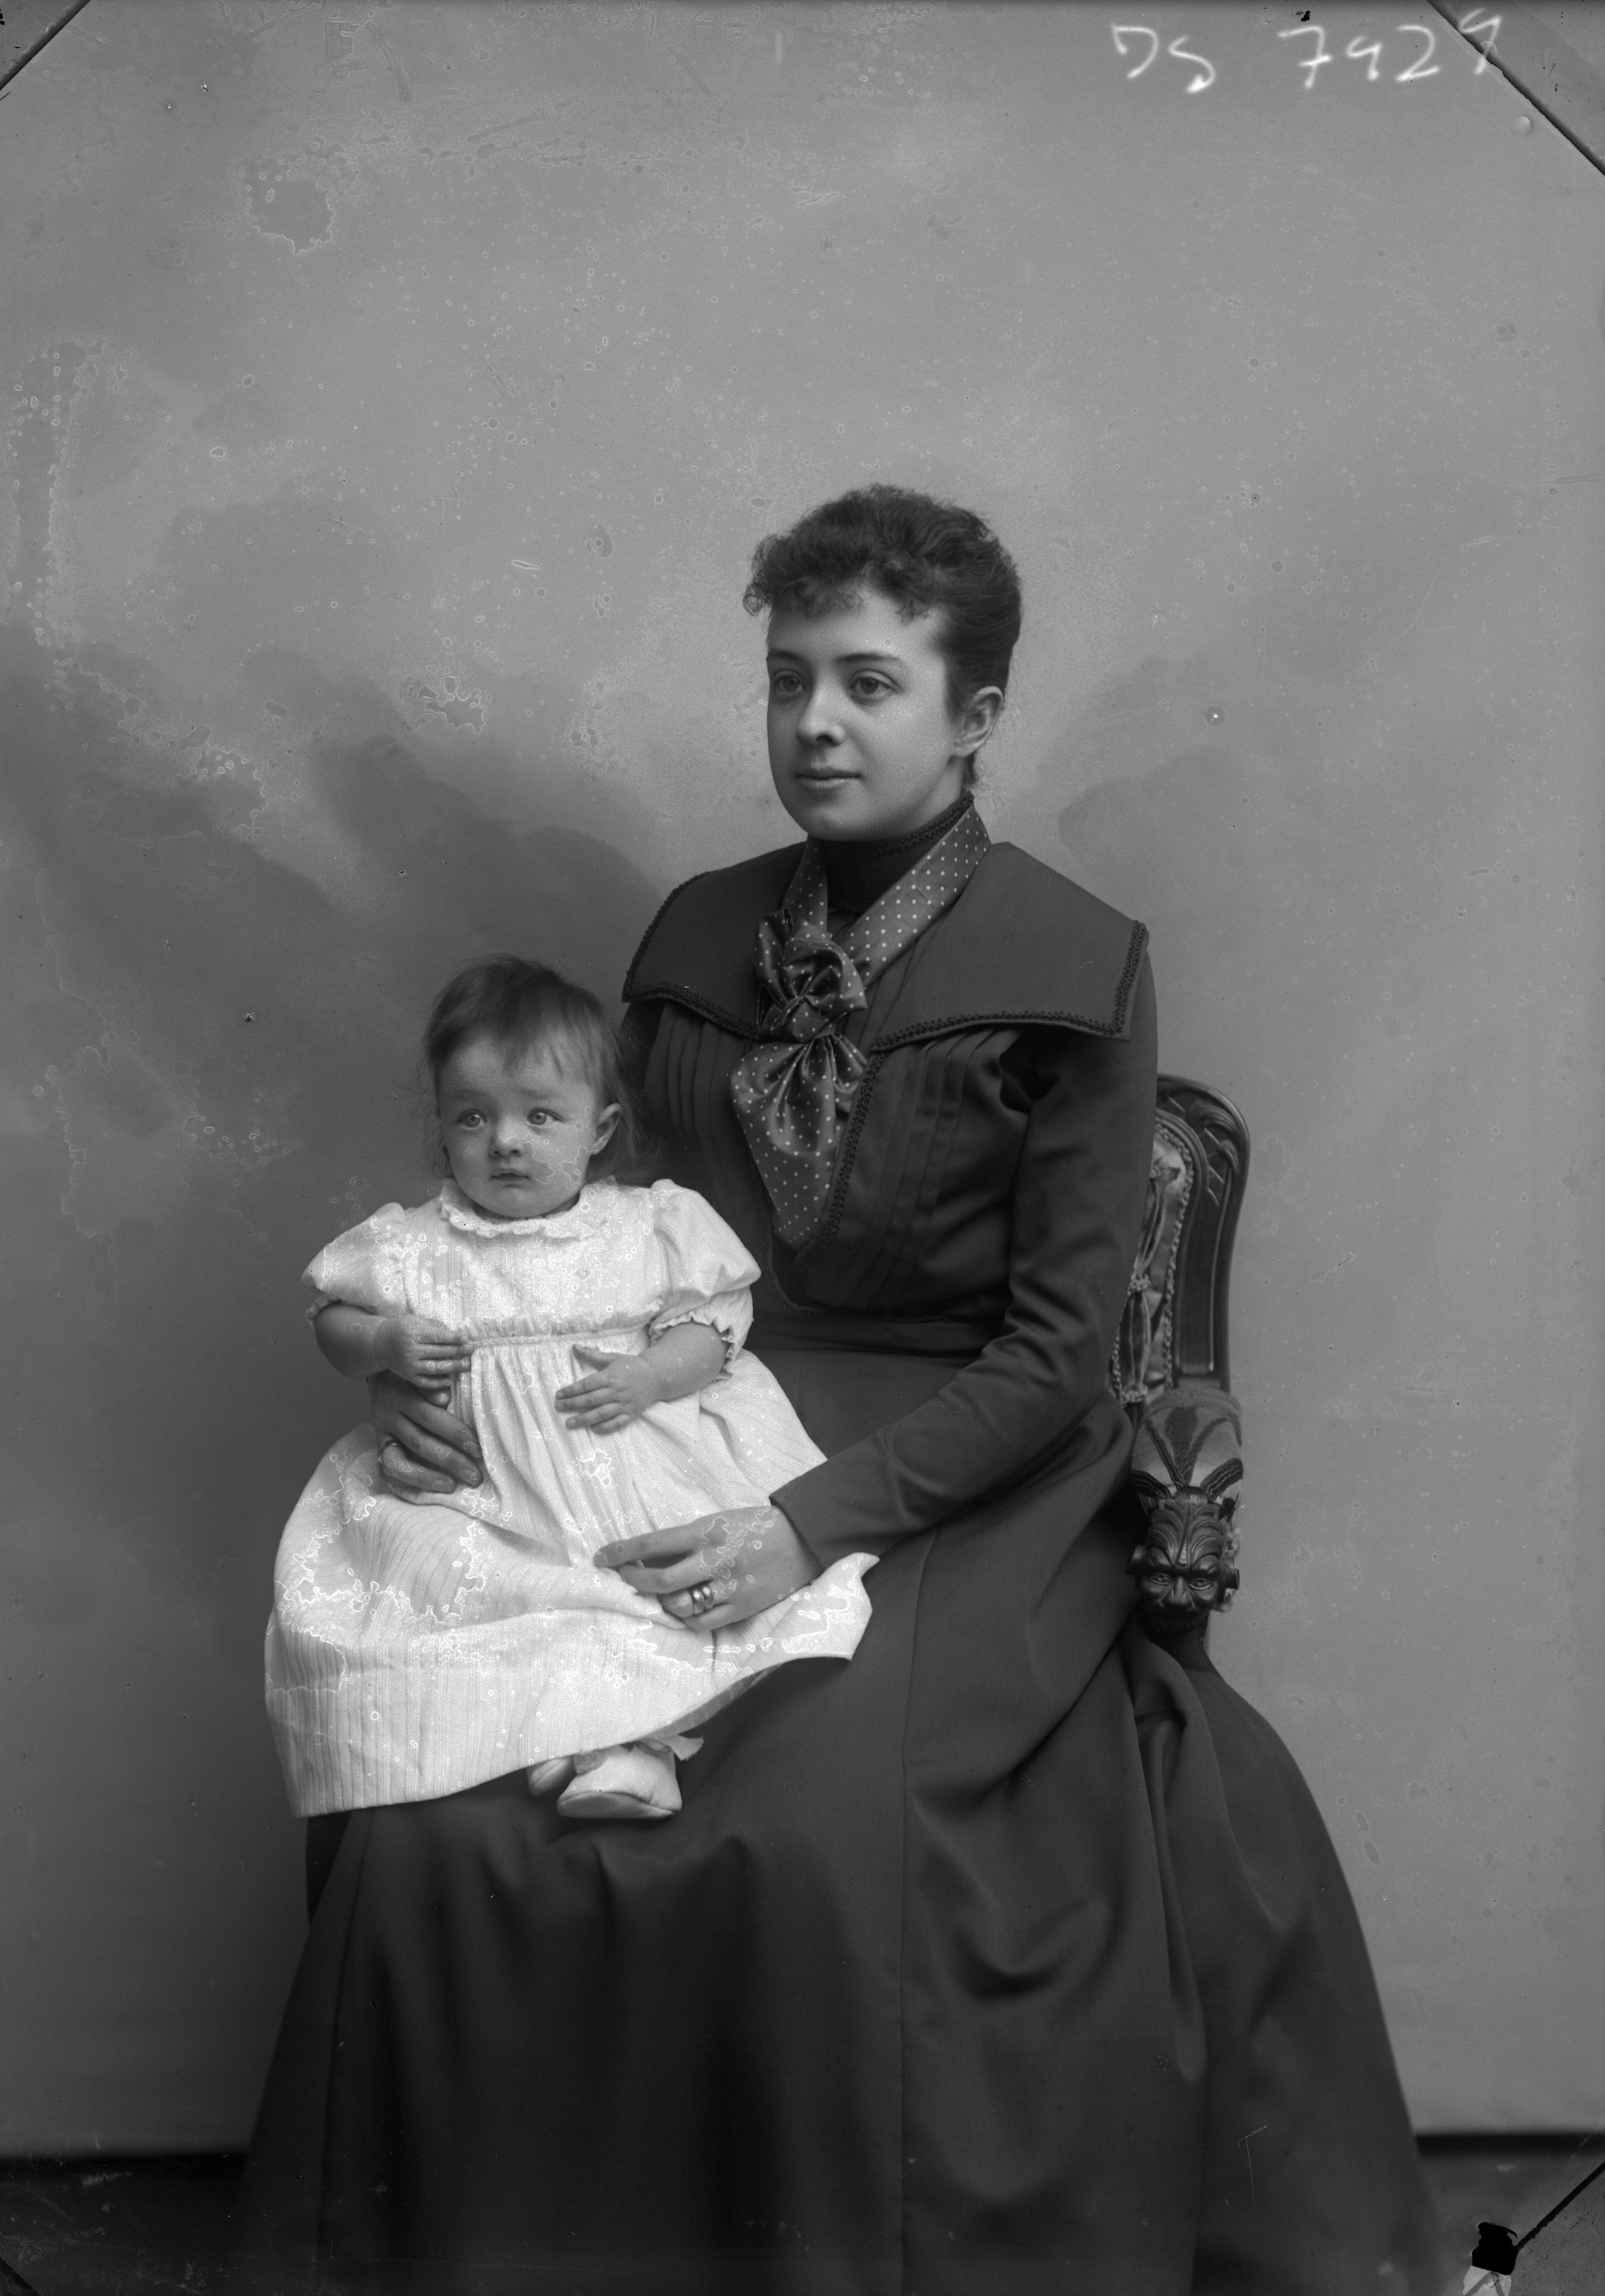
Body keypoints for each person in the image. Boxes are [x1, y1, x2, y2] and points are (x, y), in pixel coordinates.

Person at [238, 487, 1444, 2295]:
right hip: (681, 1421)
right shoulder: (695, 938)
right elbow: (600, 1248)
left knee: (807, 1824)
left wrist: (803, 1529)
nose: (815, 722)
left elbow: (1060, 1353)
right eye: (789, 678)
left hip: (968, 1464)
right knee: (450, 1792)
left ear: (973, 715)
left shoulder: (1077, 965)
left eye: (870, 683)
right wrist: (450, 1395)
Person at [267, 956, 872, 1825]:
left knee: (642, 1595)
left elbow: (715, 1325)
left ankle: (641, 1753)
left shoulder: (647, 1226)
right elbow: (332, 1322)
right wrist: (384, 1343)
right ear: (442, 1130)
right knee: (485, 1604)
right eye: (473, 1117)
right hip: (489, 1498)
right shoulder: (412, 1245)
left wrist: (651, 1375)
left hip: (624, 1472)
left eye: (540, 1116)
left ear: (599, 1130)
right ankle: (548, 1731)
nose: (505, 1142)